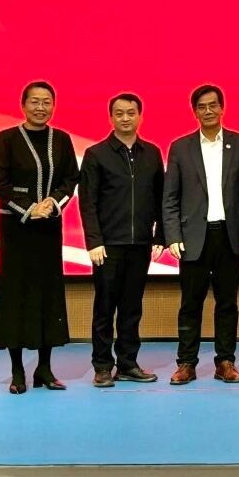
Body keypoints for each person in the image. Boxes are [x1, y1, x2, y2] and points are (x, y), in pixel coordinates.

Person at [161, 84, 239, 385]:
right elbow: (170, 198)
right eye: (202, 107)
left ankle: (225, 362)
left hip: (229, 236)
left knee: (227, 303)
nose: (208, 111)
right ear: (195, 112)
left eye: (213, 105)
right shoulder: (180, 147)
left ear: (222, 108)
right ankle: (186, 363)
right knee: (190, 304)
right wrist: (172, 235)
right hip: (192, 238)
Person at [0, 81, 79, 393]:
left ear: (53, 105)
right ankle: (17, 370)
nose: (41, 107)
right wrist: (30, 209)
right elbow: (0, 183)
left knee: (48, 294)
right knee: (16, 294)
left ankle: (44, 368)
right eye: (35, 101)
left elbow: (71, 179)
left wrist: (52, 204)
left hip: (49, 228)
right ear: (23, 105)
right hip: (17, 228)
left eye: (46, 102)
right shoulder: (7, 139)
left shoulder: (62, 139)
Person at [78, 93, 165, 387]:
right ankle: (102, 366)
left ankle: (128, 363)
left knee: (131, 308)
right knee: (105, 308)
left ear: (140, 116)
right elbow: (88, 202)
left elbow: (161, 198)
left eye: (130, 113)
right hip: (107, 246)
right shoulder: (96, 154)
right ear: (111, 117)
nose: (125, 118)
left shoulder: (152, 153)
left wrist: (160, 236)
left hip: (140, 244)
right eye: (119, 113)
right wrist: (94, 241)